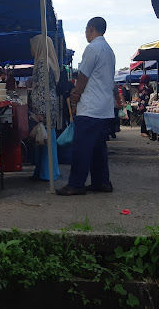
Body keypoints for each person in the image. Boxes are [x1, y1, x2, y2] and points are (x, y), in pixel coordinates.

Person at [57, 17, 117, 196]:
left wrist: (75, 96)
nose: (85, 34)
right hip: (104, 107)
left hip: (90, 107)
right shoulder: (109, 50)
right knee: (98, 148)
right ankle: (102, 181)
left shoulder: (92, 48)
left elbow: (83, 76)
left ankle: (76, 184)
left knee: (81, 148)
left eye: (86, 30)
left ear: (91, 29)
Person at [29, 34, 60, 181]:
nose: (31, 50)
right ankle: (48, 171)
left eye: (32, 46)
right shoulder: (49, 61)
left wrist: (40, 112)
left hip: (44, 105)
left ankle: (47, 173)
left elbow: (42, 88)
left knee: (45, 139)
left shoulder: (42, 63)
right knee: (48, 137)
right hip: (50, 103)